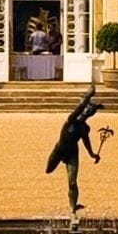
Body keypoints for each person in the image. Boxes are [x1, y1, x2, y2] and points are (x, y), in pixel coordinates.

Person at [46, 86, 103, 216]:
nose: (85, 115)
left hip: (72, 152)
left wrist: (92, 154)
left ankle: (73, 207)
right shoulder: (71, 120)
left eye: (88, 114)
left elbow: (86, 141)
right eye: (84, 112)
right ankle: (73, 205)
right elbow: (79, 107)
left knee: (72, 181)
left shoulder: (85, 128)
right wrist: (88, 95)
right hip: (59, 149)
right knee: (48, 170)